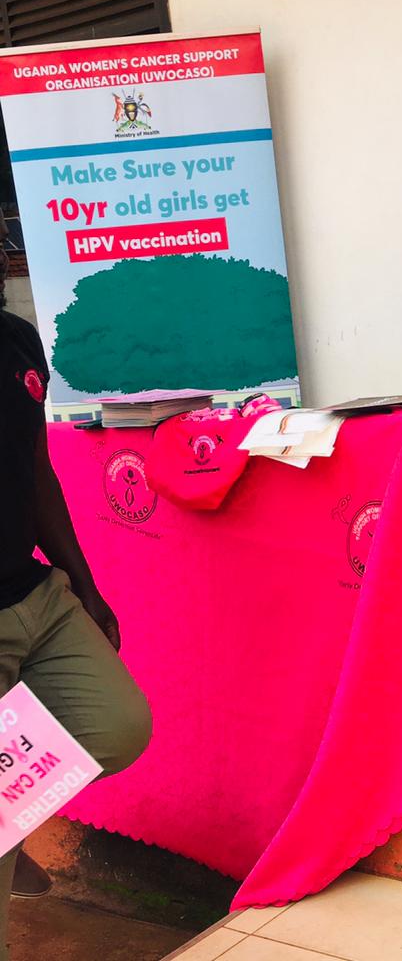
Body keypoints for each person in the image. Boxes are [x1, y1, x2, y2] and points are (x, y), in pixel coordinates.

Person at [0, 210, 152, 955]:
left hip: (33, 593)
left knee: (119, 726)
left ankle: (12, 824)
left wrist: (84, 586)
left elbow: (36, 469)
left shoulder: (16, 339)